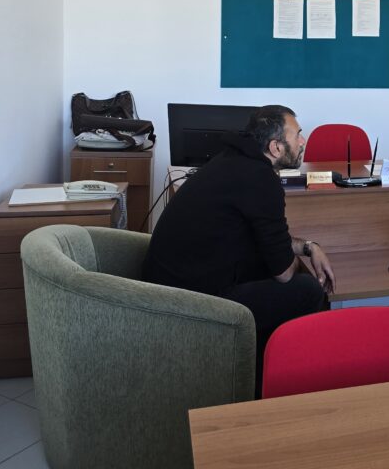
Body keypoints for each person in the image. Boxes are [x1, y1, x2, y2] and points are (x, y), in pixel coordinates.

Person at [143, 104, 335, 390]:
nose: (304, 141)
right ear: (276, 147)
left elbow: (266, 239)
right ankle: (278, 384)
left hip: (171, 282)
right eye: (298, 135)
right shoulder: (260, 180)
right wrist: (293, 259)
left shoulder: (232, 161)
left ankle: (254, 373)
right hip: (186, 301)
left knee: (267, 268)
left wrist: (308, 247)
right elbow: (283, 273)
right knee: (307, 289)